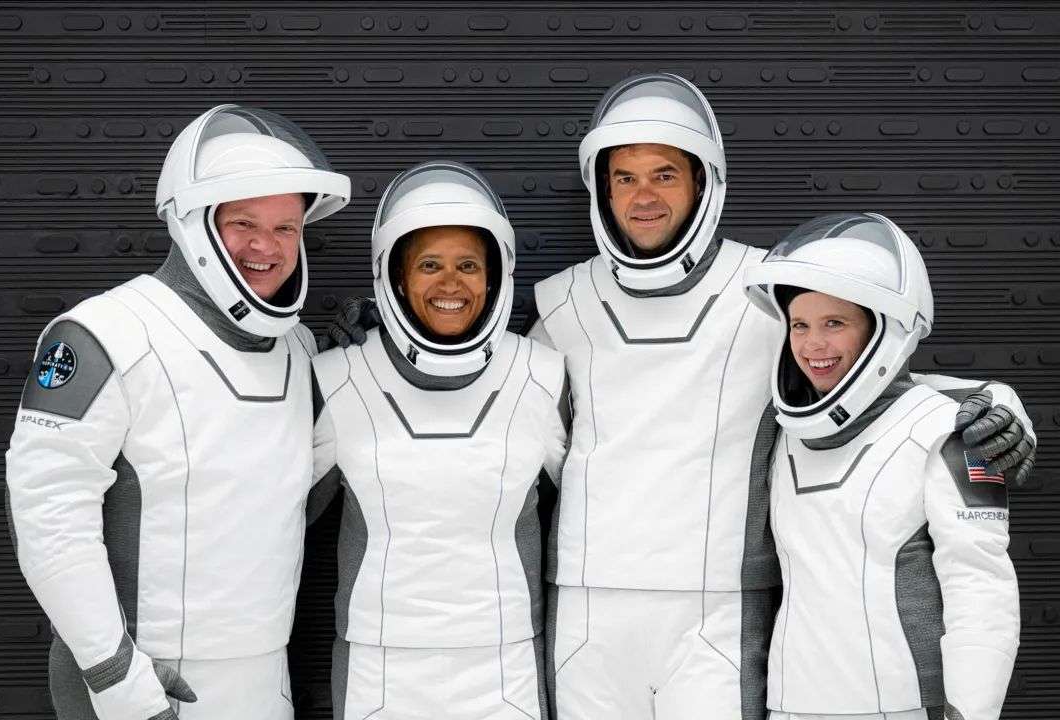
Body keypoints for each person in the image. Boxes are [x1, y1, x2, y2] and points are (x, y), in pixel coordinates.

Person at [327, 73, 1035, 719]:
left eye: (664, 174)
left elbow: (868, 371)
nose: (644, 197)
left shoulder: (766, 292)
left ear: (703, 182)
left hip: (717, 609)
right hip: (587, 609)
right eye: (625, 177)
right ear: (602, 190)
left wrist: (995, 407)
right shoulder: (561, 307)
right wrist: (373, 342)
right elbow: (480, 383)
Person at [5, 105, 351, 720]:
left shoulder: (299, 350)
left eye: (286, 227)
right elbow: (45, 508)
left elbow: (299, 492)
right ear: (193, 224)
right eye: (243, 223)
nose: (266, 246)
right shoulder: (104, 333)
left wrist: (361, 369)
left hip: (263, 672)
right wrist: (111, 670)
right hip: (139, 679)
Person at [310, 161, 568, 719]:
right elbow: (273, 522)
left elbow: (595, 510)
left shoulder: (543, 377)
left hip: (505, 670)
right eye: (430, 265)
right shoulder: (337, 379)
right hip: (380, 674)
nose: (450, 283)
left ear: (495, 276)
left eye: (468, 265)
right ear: (396, 277)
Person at [743, 212, 1020, 720]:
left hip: (905, 707)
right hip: (791, 704)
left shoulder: (948, 429)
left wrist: (970, 711)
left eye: (834, 323)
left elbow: (981, 587)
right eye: (800, 325)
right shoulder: (781, 436)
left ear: (884, 329)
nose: (813, 344)